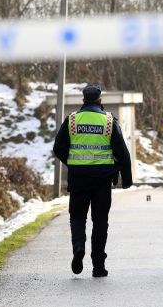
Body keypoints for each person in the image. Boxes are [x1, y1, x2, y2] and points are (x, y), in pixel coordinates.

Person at [53, 84, 133, 277]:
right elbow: (122, 153)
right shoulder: (108, 121)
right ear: (100, 101)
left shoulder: (72, 120)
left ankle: (79, 246)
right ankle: (98, 266)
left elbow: (58, 147)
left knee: (77, 217)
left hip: (78, 179)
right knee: (100, 222)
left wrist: (72, 163)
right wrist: (126, 178)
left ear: (83, 101)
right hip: (102, 181)